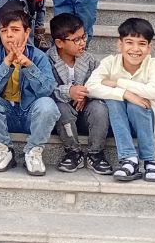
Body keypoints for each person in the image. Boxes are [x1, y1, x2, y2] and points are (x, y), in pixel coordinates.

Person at [0, 2, 59, 176]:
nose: (9, 35)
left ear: (27, 32)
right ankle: (4, 150)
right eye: (4, 30)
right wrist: (6, 63)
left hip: (30, 115)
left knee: (48, 104)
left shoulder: (39, 57)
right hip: (6, 115)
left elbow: (47, 90)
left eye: (15, 30)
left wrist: (29, 65)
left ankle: (33, 151)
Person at [86, 18, 155, 183]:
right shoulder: (110, 62)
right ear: (120, 45)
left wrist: (118, 83)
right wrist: (125, 94)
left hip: (145, 123)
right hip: (118, 125)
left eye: (142, 44)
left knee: (136, 105)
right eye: (129, 42)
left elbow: (154, 91)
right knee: (114, 100)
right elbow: (90, 87)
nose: (135, 49)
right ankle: (129, 159)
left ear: (149, 48)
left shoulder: (153, 64)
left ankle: (150, 159)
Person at [46, 12, 112, 174]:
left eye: (84, 37)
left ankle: (96, 153)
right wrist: (69, 92)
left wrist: (85, 94)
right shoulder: (48, 60)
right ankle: (73, 151)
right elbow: (46, 88)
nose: (83, 42)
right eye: (76, 40)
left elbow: (101, 82)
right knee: (60, 108)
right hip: (63, 119)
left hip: (85, 114)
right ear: (59, 43)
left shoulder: (89, 60)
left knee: (99, 107)